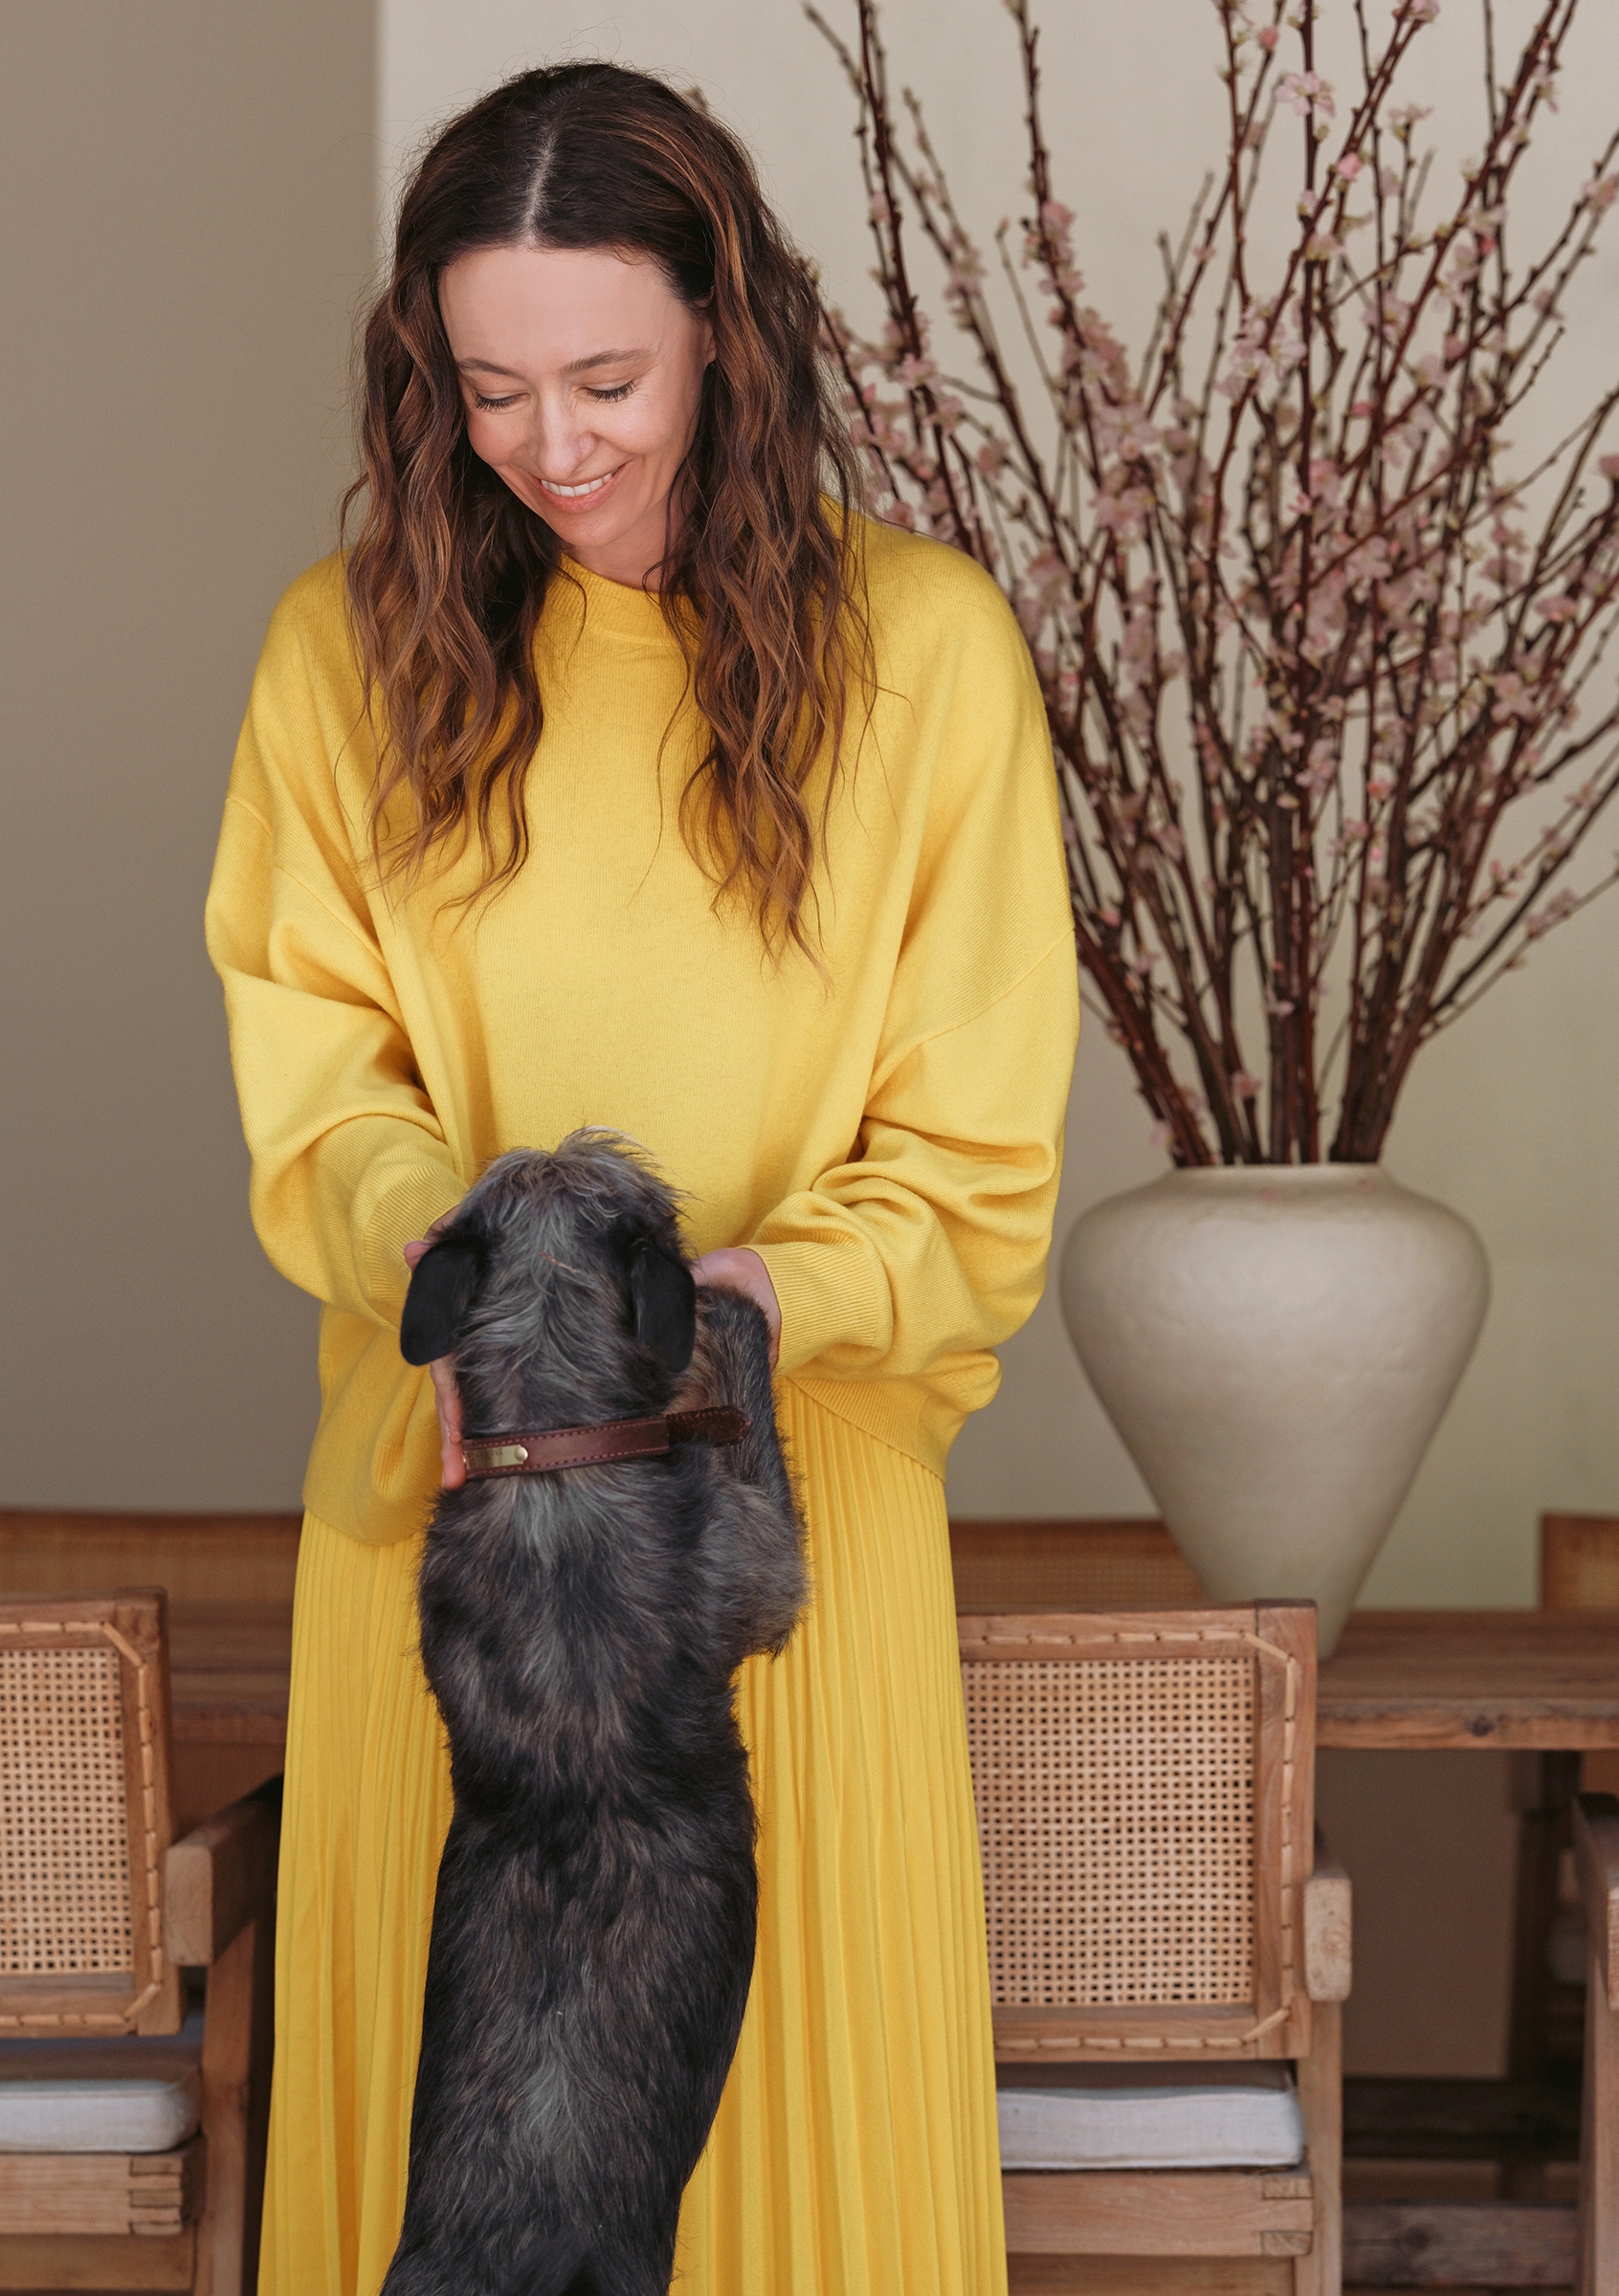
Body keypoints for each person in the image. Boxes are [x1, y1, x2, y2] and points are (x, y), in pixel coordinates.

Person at [206, 59, 1077, 2296]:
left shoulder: (927, 658)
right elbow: (320, 1091)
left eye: (606, 379)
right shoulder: (343, 657)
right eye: (491, 389)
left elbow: (974, 1165)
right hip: (458, 1538)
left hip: (781, 1561)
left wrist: (749, 1304)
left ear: (724, 333)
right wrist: (465, 1273)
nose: (555, 442)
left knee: (791, 2197)